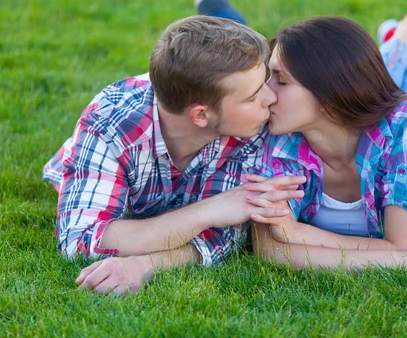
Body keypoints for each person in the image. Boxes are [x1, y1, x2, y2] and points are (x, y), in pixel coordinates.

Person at [196, 0, 407, 272]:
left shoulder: (406, 125)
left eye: (280, 81)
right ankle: (405, 34)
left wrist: (299, 234)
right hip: (348, 103)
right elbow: (269, 249)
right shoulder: (277, 135)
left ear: (329, 96)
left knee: (404, 89)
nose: (264, 94)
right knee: (370, 75)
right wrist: (402, 261)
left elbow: (405, 245)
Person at [42, 15, 307, 294]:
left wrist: (146, 264)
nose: (272, 98)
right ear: (201, 115)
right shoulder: (110, 123)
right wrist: (210, 210)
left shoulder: (252, 126)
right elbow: (79, 240)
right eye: (253, 97)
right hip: (89, 164)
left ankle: (220, 11)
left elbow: (224, 234)